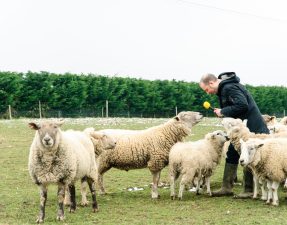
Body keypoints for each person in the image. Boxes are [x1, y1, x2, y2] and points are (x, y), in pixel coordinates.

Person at [199, 72, 269, 198]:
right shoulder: (225, 88)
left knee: (248, 154)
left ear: (211, 83)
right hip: (240, 128)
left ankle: (249, 190)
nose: (207, 92)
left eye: (207, 89)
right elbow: (235, 106)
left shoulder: (229, 87)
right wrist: (223, 112)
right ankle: (226, 187)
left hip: (251, 127)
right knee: (231, 152)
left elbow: (242, 105)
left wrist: (223, 111)